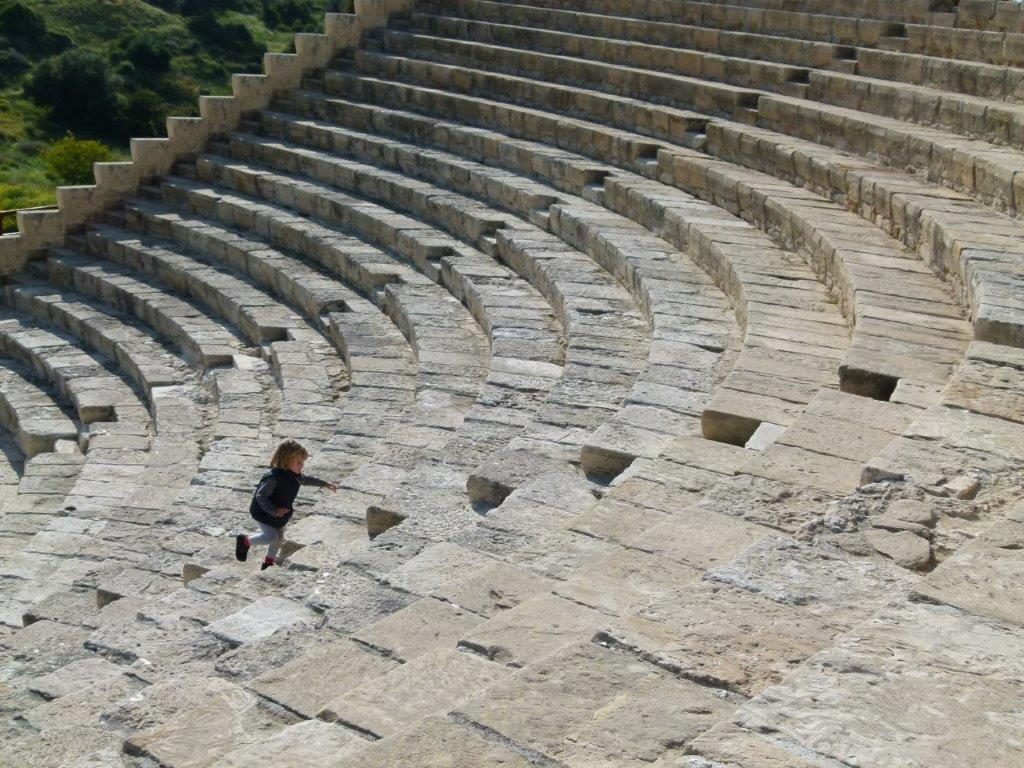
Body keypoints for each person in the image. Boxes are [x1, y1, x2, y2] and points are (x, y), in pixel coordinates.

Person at [235, 439, 338, 570]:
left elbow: (306, 480)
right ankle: (244, 540)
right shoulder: (273, 478)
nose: (302, 465)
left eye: (302, 462)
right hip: (263, 513)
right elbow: (260, 496)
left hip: (280, 513)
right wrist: (274, 510)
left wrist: (325, 483)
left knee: (278, 539)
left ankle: (267, 563)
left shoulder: (295, 475)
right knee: (271, 537)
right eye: (298, 462)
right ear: (286, 460)